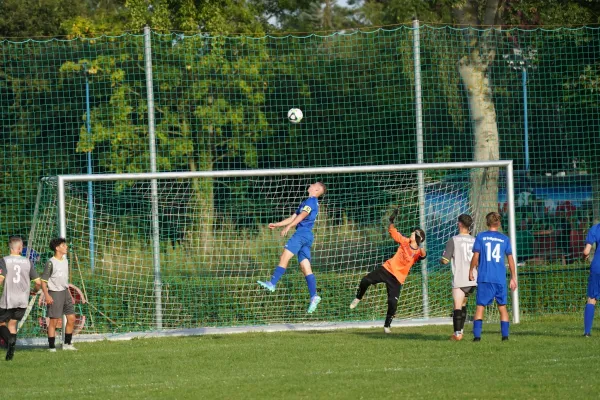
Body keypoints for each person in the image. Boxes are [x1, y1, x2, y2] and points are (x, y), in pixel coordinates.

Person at [349, 208, 426, 333]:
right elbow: (394, 232)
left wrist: (420, 245)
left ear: (418, 238)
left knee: (392, 303)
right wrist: (391, 220)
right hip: (387, 269)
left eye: (413, 234)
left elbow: (423, 255)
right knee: (365, 280)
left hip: (397, 279)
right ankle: (358, 298)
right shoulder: (405, 242)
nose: (411, 234)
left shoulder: (418, 252)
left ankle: (387, 326)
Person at [258, 182, 326, 314]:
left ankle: (272, 283)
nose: (310, 184)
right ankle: (314, 296)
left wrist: (289, 227)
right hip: (307, 236)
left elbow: (302, 216)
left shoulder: (312, 201)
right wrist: (277, 225)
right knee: (305, 267)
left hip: (301, 234)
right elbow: (294, 217)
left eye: (314, 184)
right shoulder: (308, 202)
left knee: (285, 256)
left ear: (317, 189)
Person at [469, 212, 518, 342]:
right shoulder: (504, 239)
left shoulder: (480, 237)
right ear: (499, 223)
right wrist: (513, 277)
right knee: (502, 307)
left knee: (480, 306)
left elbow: (475, 256)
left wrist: (471, 269)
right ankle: (505, 336)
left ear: (487, 223)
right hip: (499, 278)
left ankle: (477, 337)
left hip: (485, 277)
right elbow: (511, 259)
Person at [0, 235, 41, 361]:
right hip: (22, 300)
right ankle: (10, 355)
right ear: (19, 248)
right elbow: (38, 282)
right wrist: (34, 291)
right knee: (12, 325)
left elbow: (1, 278)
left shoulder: (4, 260)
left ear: (10, 247)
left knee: (1, 323)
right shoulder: (27, 262)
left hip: (8, 299)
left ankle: (10, 344)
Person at [440, 214, 476, 341]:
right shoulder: (475, 240)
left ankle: (457, 334)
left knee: (457, 306)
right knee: (464, 303)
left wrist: (442, 259)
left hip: (460, 277)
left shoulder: (454, 240)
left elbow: (445, 260)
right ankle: (460, 331)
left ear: (460, 224)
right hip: (473, 278)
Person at [41, 237, 77, 351]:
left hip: (65, 293)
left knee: (72, 318)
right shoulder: (51, 263)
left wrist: (70, 295)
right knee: (54, 321)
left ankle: (67, 344)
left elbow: (65, 281)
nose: (66, 247)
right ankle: (51, 347)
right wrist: (47, 295)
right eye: (63, 245)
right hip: (54, 293)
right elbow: (43, 282)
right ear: (57, 248)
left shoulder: (65, 261)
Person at [582, 221, 600, 337]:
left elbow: (586, 251)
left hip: (597, 267)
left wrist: (584, 256)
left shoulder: (596, 228)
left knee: (592, 299)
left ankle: (587, 332)